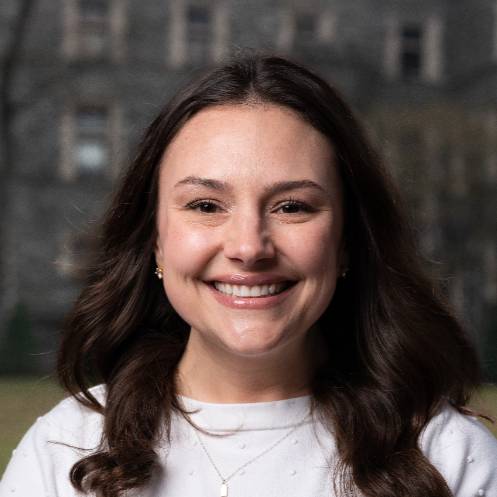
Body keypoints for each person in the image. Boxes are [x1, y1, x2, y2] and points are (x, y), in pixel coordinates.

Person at [1, 53, 496, 497]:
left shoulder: (448, 458)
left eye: (291, 206)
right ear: (155, 238)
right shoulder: (64, 449)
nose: (248, 247)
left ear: (346, 240)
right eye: (206, 205)